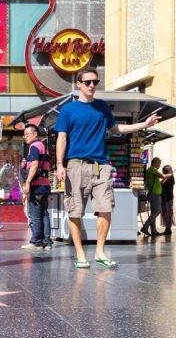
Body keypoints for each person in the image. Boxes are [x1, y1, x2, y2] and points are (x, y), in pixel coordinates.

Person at [55, 68, 160, 269]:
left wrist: (143, 124)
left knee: (105, 209)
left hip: (101, 166)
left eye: (95, 82)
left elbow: (117, 129)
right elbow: (62, 137)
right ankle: (80, 254)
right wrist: (60, 165)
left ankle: (99, 252)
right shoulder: (68, 110)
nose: (92, 85)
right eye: (88, 82)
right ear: (79, 84)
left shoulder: (102, 107)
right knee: (74, 211)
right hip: (75, 165)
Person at [20, 123, 53, 250]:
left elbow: (34, 165)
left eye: (27, 134)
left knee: (35, 214)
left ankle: (36, 242)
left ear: (35, 134)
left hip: (36, 184)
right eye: (24, 134)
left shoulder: (33, 146)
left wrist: (27, 182)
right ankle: (47, 241)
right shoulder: (44, 147)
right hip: (45, 184)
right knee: (44, 213)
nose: (25, 137)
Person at [141, 157, 172, 236]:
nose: (160, 165)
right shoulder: (152, 169)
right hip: (154, 194)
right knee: (157, 211)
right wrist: (170, 174)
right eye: (159, 163)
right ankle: (145, 227)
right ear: (155, 162)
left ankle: (153, 231)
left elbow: (158, 181)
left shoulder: (151, 171)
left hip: (153, 194)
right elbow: (163, 176)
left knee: (153, 212)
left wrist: (162, 181)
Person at [160, 165, 175, 235]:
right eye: (163, 170)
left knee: (168, 213)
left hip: (168, 198)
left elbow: (166, 187)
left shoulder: (170, 178)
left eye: (165, 171)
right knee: (165, 213)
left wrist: (162, 183)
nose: (163, 172)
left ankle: (168, 228)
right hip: (164, 197)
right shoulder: (165, 178)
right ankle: (167, 228)